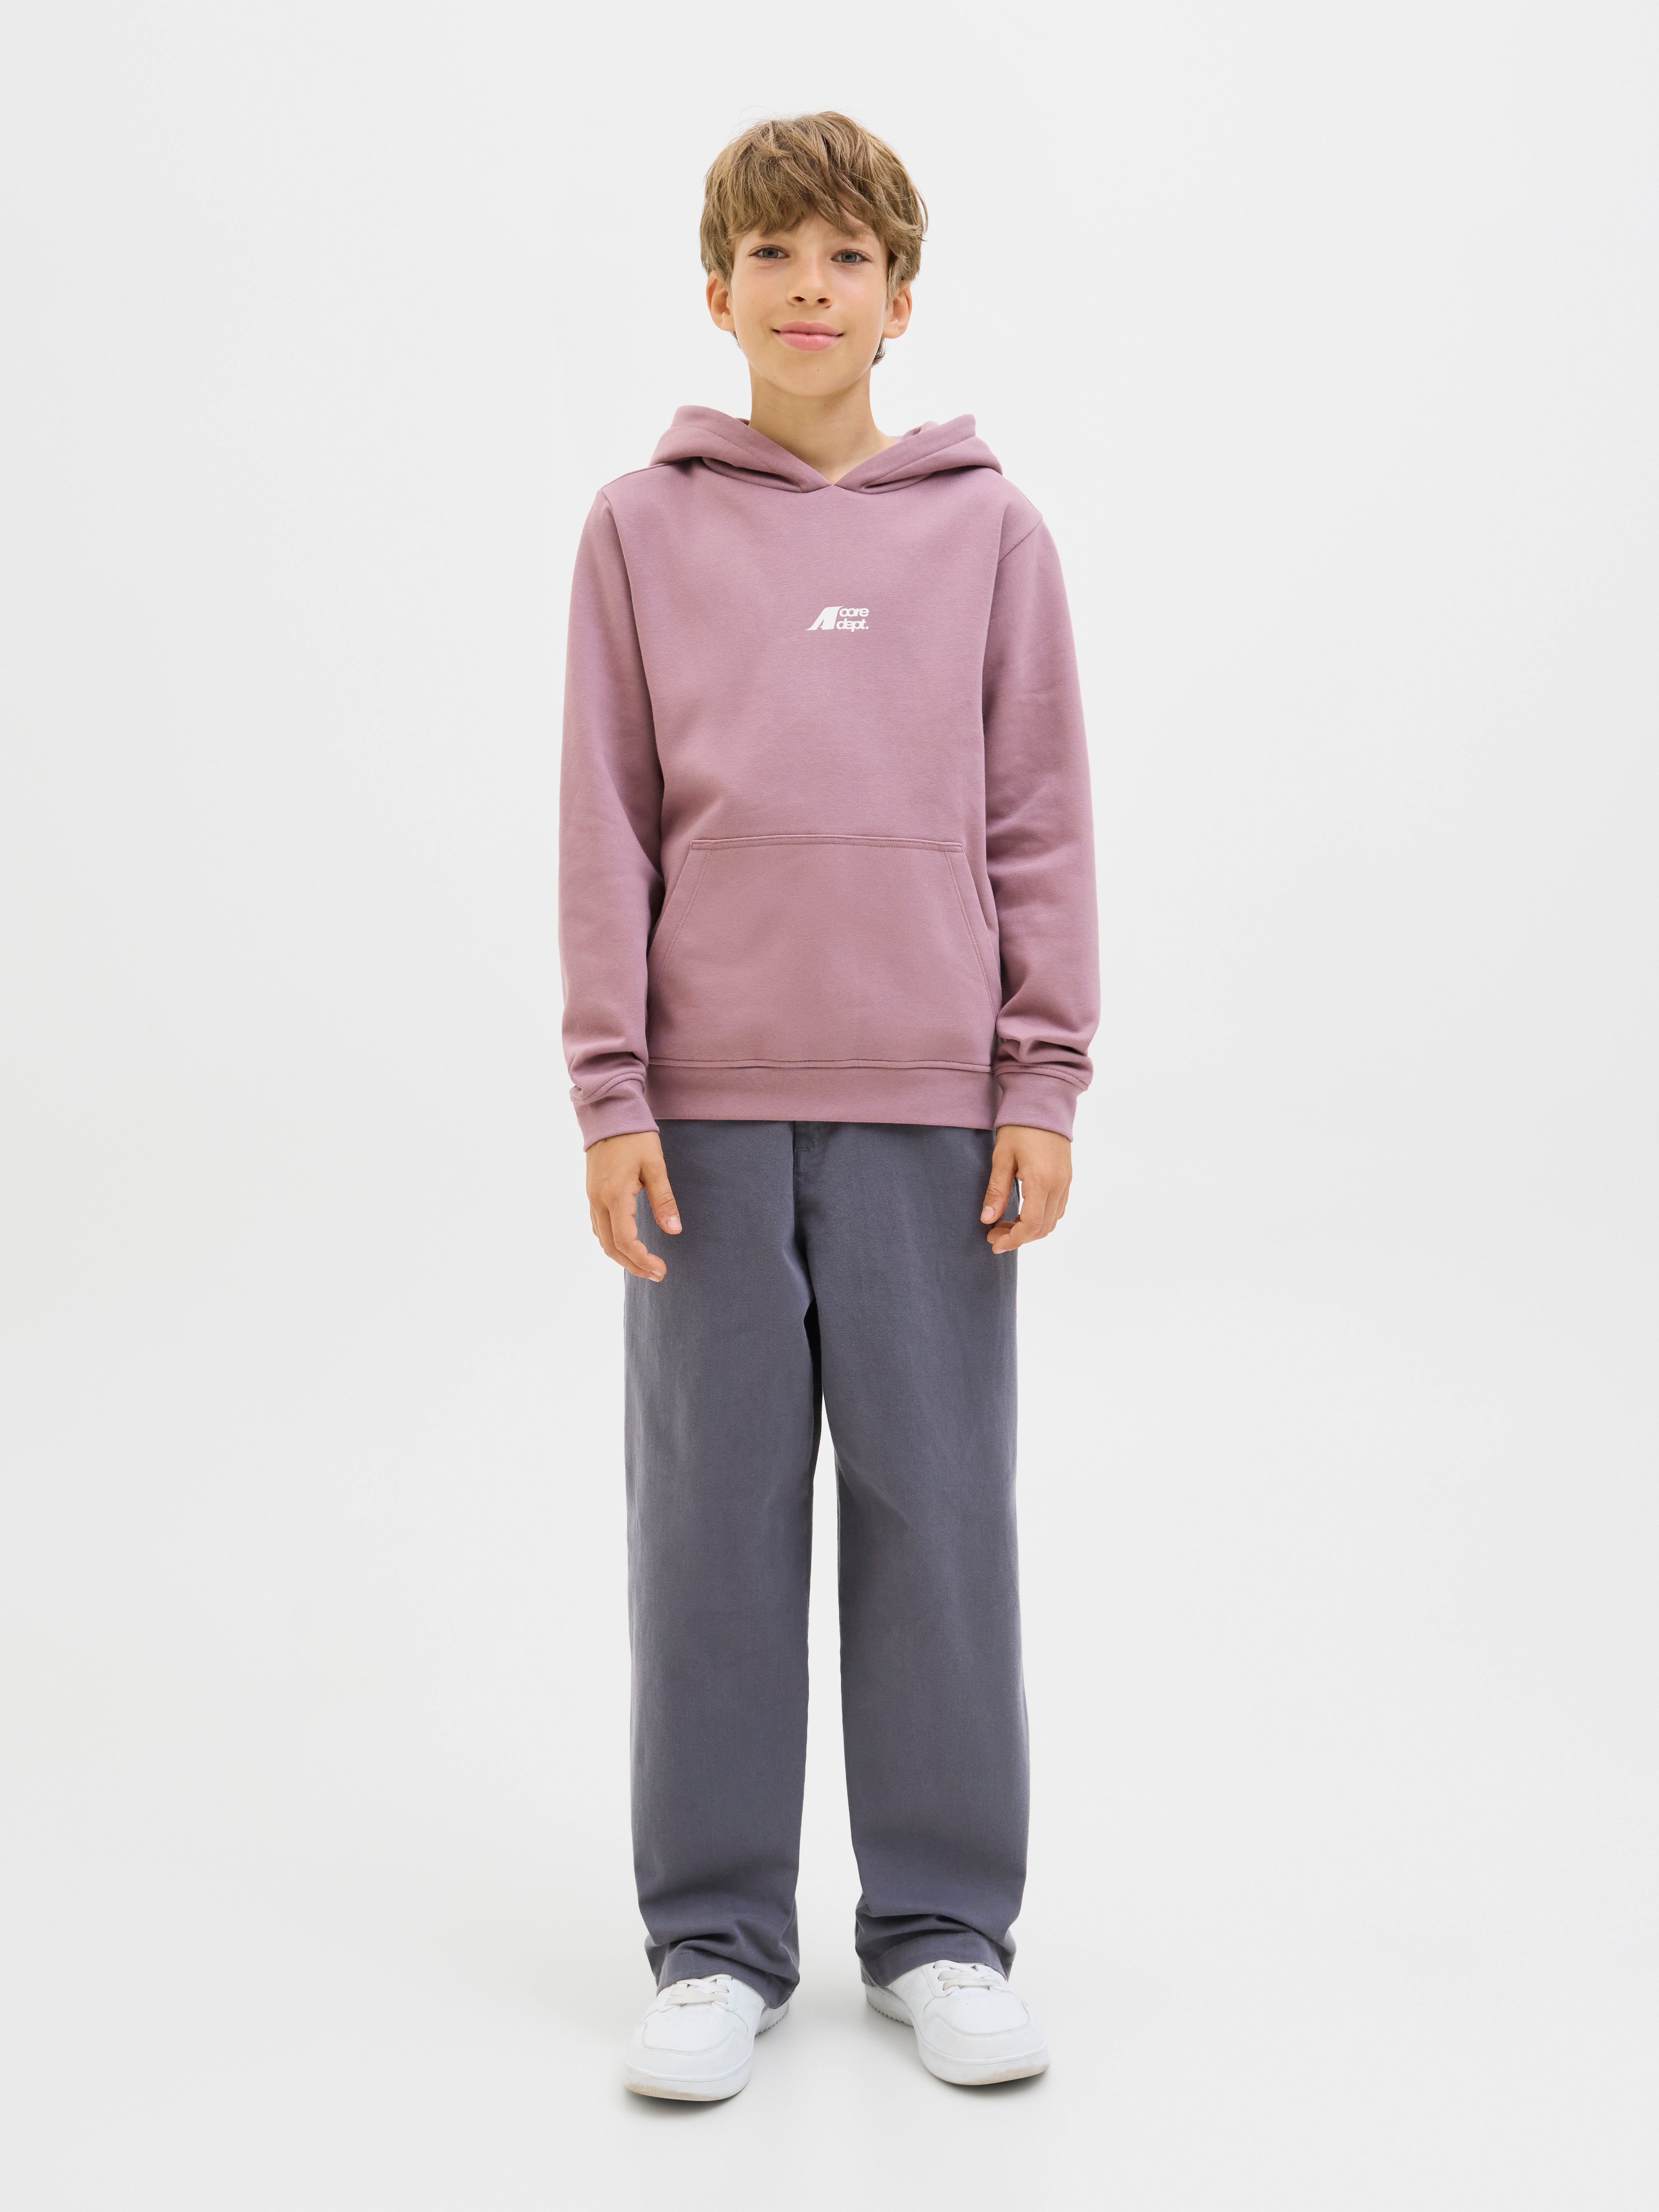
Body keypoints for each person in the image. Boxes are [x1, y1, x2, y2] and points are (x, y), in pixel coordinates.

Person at [558, 111, 1098, 2100]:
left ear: (901, 296)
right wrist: (610, 1089)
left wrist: (1042, 1072)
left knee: (936, 1518)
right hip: (700, 1116)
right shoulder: (639, 527)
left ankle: (944, 1932)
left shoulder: (990, 533)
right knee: (707, 1531)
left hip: (933, 1111)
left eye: (847, 256)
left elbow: (1039, 817)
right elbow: (605, 823)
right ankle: (715, 1945)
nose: (810, 288)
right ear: (719, 292)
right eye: (774, 255)